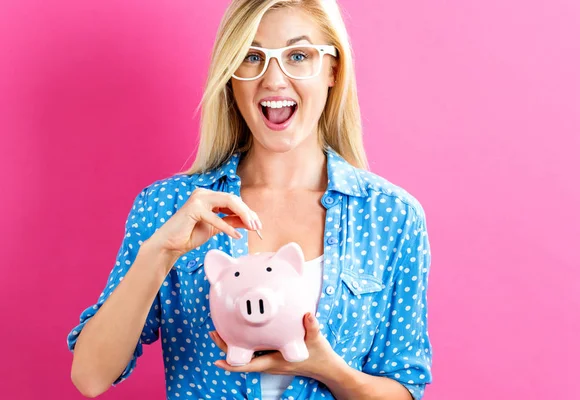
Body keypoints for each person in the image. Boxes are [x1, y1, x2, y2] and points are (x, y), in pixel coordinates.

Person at [67, 0, 433, 399]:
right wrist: (161, 253)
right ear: (230, 75)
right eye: (251, 57)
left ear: (332, 69)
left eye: (298, 55)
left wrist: (327, 370)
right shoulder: (171, 207)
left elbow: (403, 387)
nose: (274, 81)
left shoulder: (390, 217)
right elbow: (90, 376)